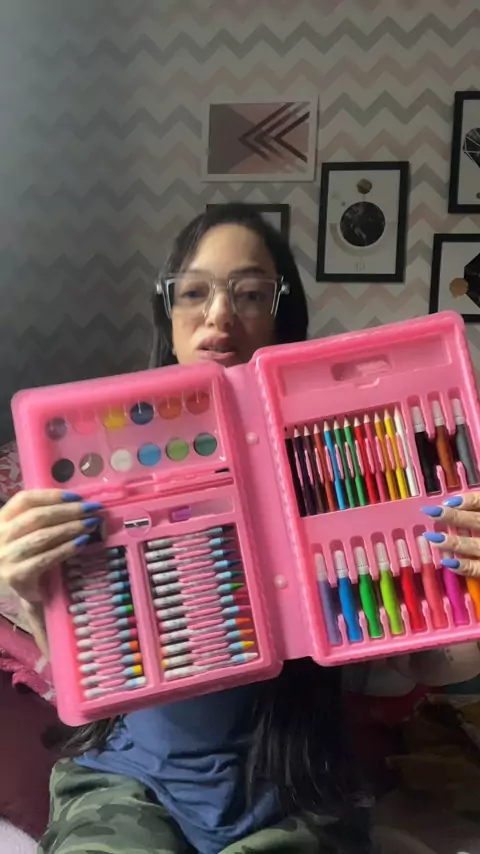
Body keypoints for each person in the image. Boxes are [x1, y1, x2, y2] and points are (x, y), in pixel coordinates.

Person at [0, 203, 477, 853]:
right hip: (130, 783)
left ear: (282, 316)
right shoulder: (97, 465)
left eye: (250, 293)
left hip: (295, 788)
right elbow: (78, 672)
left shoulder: (343, 455)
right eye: (194, 292)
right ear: (168, 314)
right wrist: (35, 597)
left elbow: (425, 661)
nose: (219, 314)